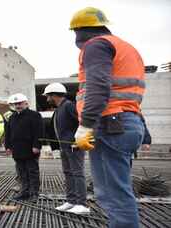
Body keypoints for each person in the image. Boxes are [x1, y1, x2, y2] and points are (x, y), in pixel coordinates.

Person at [71, 7, 145, 227]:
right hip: (126, 121)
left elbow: (98, 87)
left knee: (114, 194)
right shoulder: (126, 48)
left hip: (110, 123)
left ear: (79, 31)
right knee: (114, 191)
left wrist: (85, 125)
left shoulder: (96, 45)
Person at [44, 83, 89, 214]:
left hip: (74, 147)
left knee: (77, 173)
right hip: (65, 147)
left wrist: (78, 141)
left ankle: (82, 204)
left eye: (48, 96)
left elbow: (82, 122)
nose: (47, 99)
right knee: (68, 173)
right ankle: (71, 201)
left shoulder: (69, 106)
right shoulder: (59, 109)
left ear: (54, 95)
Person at [5, 93, 43, 200]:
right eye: (16, 104)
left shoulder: (34, 115)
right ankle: (24, 191)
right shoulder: (12, 117)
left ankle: (34, 193)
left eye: (20, 103)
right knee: (22, 172)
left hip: (31, 149)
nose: (18, 106)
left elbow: (39, 132)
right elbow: (8, 133)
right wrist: (8, 146)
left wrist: (36, 146)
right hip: (17, 150)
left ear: (26, 103)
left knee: (32, 171)